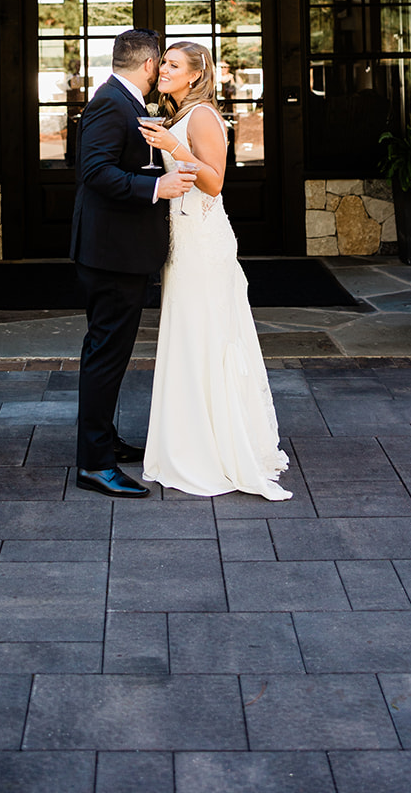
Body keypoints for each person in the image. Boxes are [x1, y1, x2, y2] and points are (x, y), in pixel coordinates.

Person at [138, 41, 293, 500]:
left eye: (171, 65)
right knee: (187, 337)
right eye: (162, 63)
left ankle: (214, 448)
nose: (162, 69)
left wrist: (172, 145)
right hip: (183, 242)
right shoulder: (176, 111)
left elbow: (215, 182)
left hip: (204, 243)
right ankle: (188, 440)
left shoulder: (202, 115)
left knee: (206, 336)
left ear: (194, 75)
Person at [70, 28, 198, 499]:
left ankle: (102, 441)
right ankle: (94, 464)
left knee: (110, 354)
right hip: (109, 255)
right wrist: (155, 190)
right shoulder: (110, 103)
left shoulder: (119, 99)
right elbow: (95, 171)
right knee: (105, 356)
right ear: (148, 65)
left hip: (116, 252)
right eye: (159, 65)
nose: (160, 71)